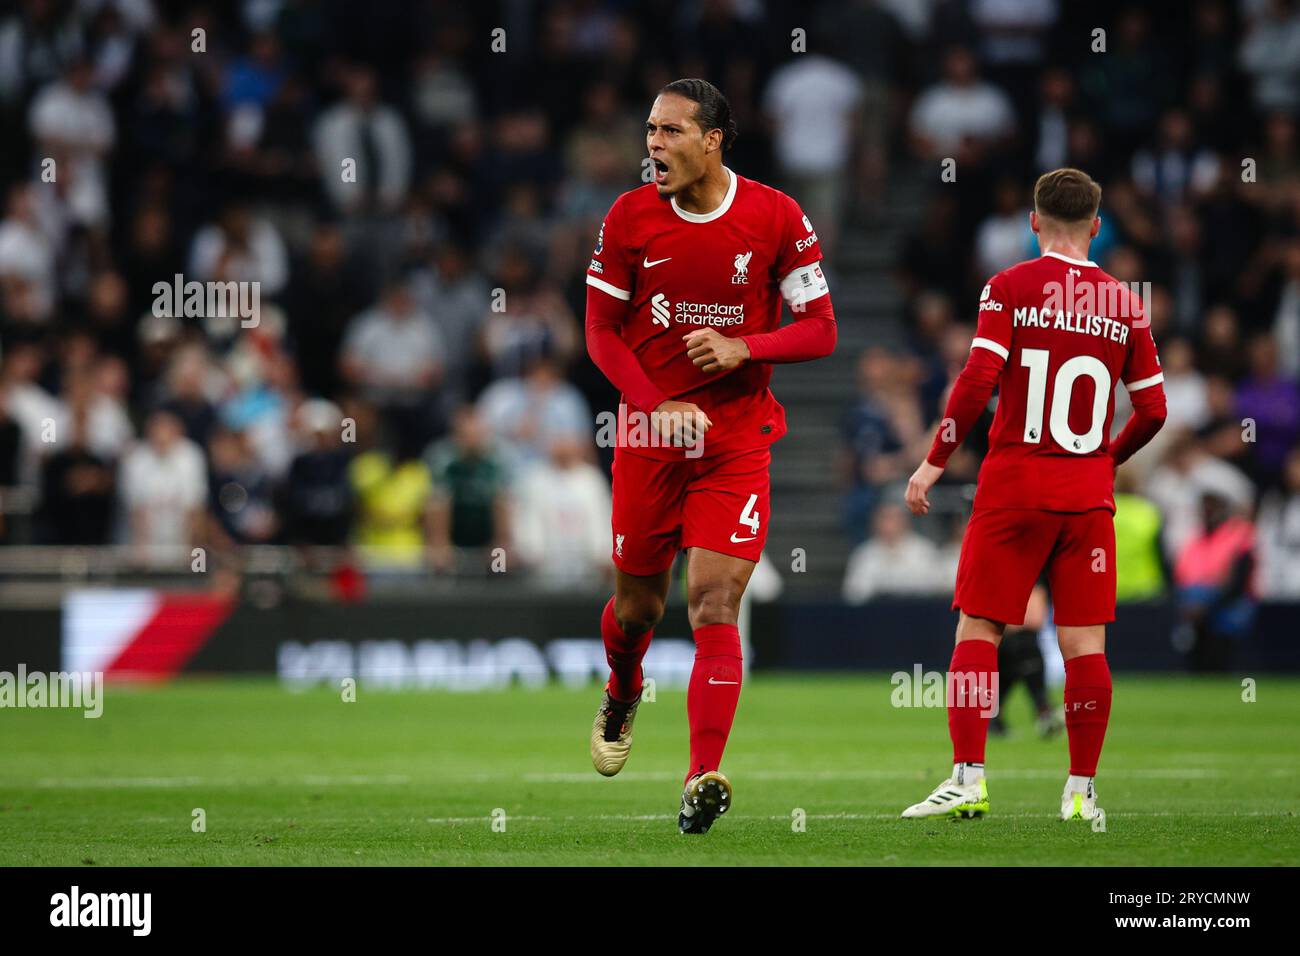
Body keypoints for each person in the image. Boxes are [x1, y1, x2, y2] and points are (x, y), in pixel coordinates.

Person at [583, 78, 837, 834]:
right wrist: (657, 406)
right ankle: (622, 690)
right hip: (650, 440)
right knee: (639, 610)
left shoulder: (777, 215)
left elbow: (820, 328)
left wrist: (743, 348)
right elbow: (599, 332)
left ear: (713, 139)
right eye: (650, 131)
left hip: (734, 442)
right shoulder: (629, 216)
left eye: (669, 132)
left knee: (715, 602)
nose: (653, 145)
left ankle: (702, 776)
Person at [900, 168, 1168, 822]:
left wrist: (935, 461)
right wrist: (1105, 458)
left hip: (1014, 488)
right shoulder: (1125, 303)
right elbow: (1154, 409)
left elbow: (977, 379)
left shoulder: (1010, 287)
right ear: (1097, 229)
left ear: (1033, 222)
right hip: (1086, 497)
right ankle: (1080, 791)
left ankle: (968, 778)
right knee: (1084, 646)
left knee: (979, 626)